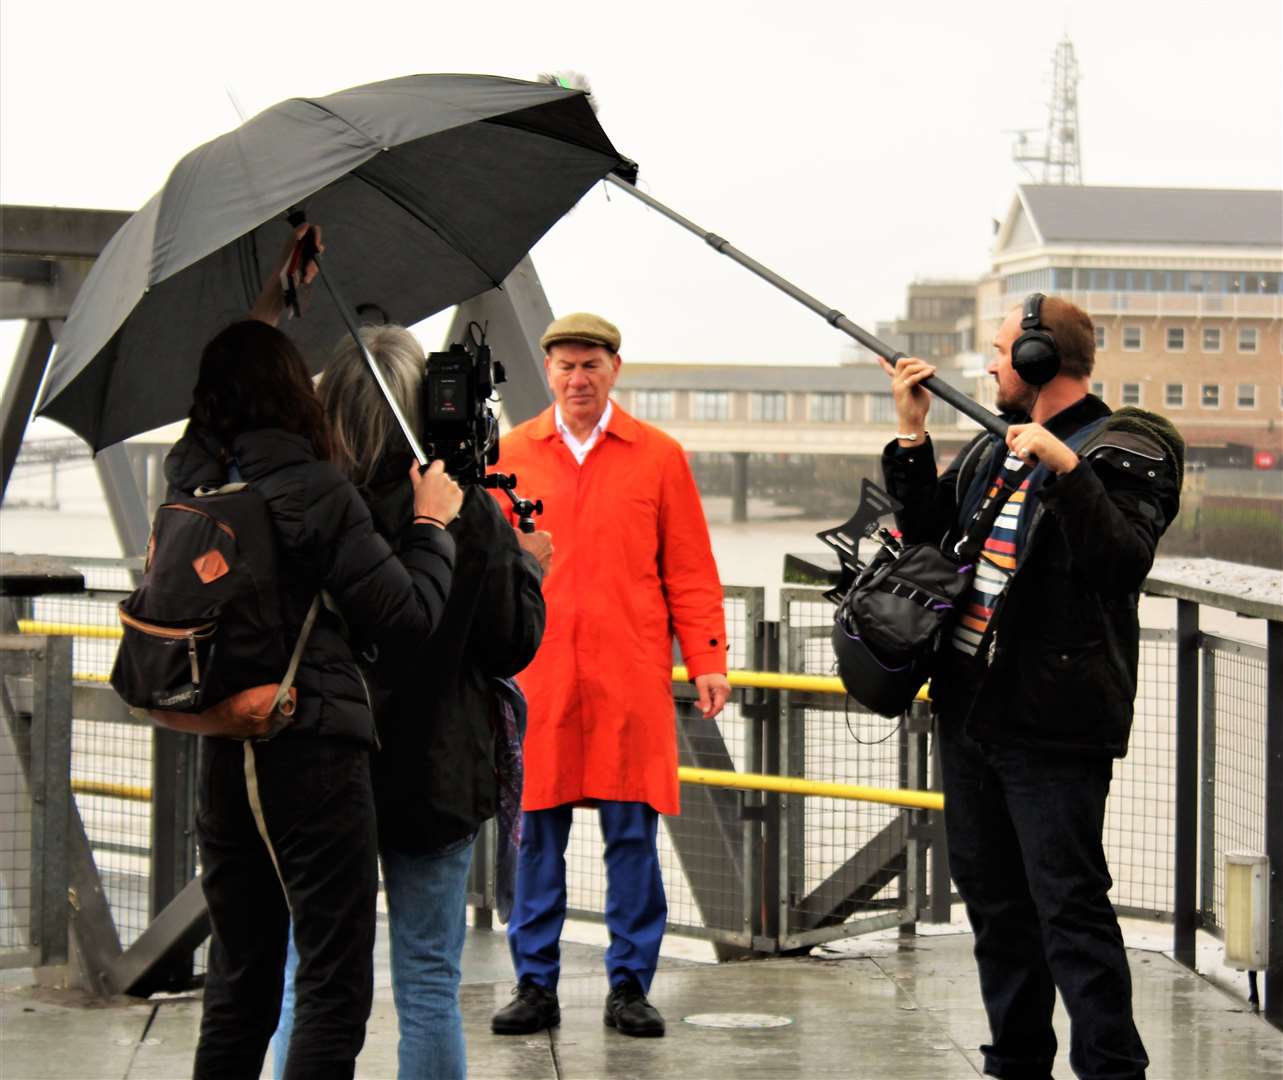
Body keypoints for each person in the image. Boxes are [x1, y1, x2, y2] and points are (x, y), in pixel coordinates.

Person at [180, 229, 464, 1080]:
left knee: (240, 979)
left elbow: (223, 386)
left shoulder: (193, 472)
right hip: (311, 757)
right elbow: (407, 613)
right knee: (334, 986)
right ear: (293, 395)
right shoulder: (315, 489)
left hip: (227, 753)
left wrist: (275, 296)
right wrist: (432, 525)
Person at [878, 293, 1183, 1080]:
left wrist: (1063, 466)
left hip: (1053, 722)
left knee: (1069, 908)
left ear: (1042, 359)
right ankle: (1014, 1062)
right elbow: (926, 541)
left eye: (999, 349)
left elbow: (1119, 562)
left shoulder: (1131, 443)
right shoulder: (990, 450)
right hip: (972, 712)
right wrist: (911, 436)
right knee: (994, 905)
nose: (986, 364)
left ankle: (1112, 1069)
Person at [270, 323, 549, 1079]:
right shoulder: (465, 512)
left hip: (324, 773)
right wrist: (527, 569)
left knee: (309, 976)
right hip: (436, 772)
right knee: (428, 983)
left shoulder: (307, 508)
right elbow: (510, 645)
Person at [489, 312, 732, 1040]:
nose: (577, 377)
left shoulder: (657, 456)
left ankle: (630, 986)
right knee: (534, 836)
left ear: (615, 368)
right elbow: (483, 573)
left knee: (633, 838)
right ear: (548, 371)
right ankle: (535, 984)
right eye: (564, 364)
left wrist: (708, 658)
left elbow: (688, 568)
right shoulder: (507, 456)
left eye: (590, 363)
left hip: (629, 676)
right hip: (539, 677)